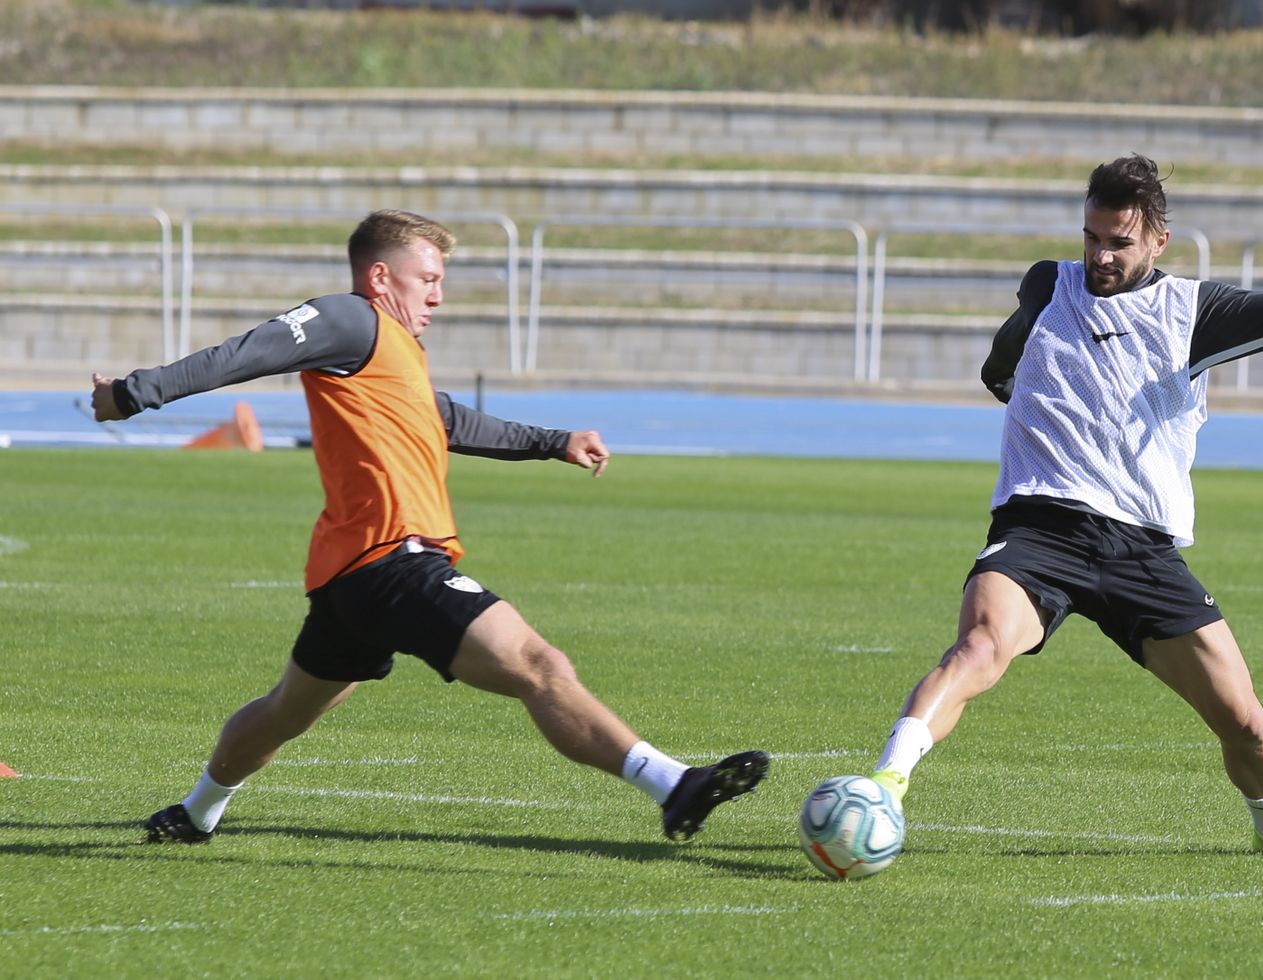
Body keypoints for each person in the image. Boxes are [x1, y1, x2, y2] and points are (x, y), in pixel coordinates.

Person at [92, 209, 768, 845]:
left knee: (286, 711)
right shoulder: (348, 320)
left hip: (352, 574)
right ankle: (675, 784)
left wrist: (554, 440)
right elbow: (246, 353)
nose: (439, 296)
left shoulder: (395, 355)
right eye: (429, 279)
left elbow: (453, 422)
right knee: (540, 666)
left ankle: (196, 812)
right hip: (394, 562)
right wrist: (132, 392)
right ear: (380, 276)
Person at [868, 155, 1263, 857]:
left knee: (1245, 723)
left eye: (1119, 242)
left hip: (1142, 550)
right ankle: (886, 782)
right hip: (1040, 526)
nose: (1100, 255)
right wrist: (1008, 378)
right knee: (979, 647)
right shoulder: (1049, 281)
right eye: (1092, 236)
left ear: (1158, 240)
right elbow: (1010, 348)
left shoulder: (1193, 314)